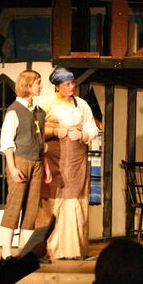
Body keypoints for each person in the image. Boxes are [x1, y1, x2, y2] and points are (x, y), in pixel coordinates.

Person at [42, 66, 98, 260]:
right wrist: (54, 131)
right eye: (66, 84)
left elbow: (93, 128)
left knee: (75, 196)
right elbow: (35, 129)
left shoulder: (81, 104)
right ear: (57, 87)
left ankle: (75, 249)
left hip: (76, 159)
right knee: (57, 197)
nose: (71, 87)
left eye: (72, 83)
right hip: (55, 157)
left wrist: (82, 135)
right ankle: (54, 248)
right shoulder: (47, 104)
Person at [0, 70, 52, 259]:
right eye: (38, 82)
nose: (41, 86)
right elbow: (6, 142)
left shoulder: (39, 112)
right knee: (14, 206)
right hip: (20, 161)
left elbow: (41, 143)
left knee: (31, 209)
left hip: (37, 162)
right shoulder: (14, 111)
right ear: (28, 86)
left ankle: (26, 252)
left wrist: (45, 166)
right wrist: (12, 168)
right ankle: (6, 253)